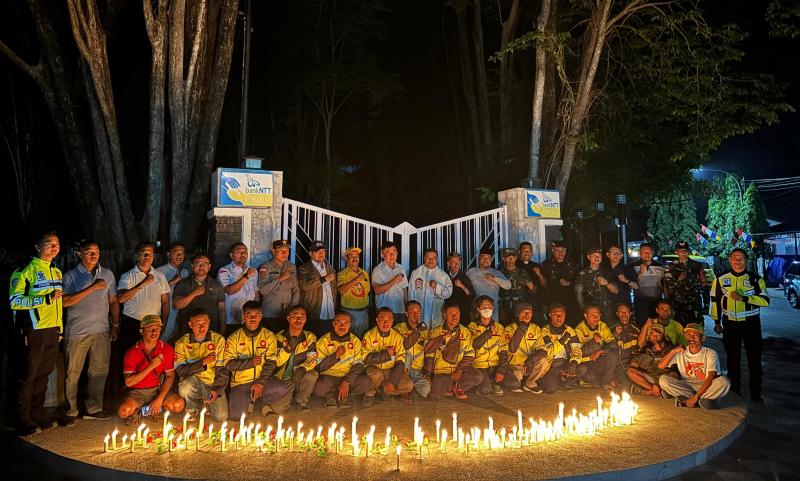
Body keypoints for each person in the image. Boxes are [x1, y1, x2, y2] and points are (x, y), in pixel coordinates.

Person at [9, 232, 68, 434]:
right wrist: (44, 299)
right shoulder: (25, 270)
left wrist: (60, 329)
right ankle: (22, 419)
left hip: (52, 331)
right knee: (28, 376)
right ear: (37, 247)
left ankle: (37, 414)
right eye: (49, 243)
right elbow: (15, 301)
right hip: (33, 330)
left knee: (43, 376)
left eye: (57, 243)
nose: (54, 246)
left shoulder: (57, 272)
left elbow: (58, 304)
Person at [61, 240, 119, 424]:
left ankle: (94, 408)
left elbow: (113, 301)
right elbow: (65, 302)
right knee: (73, 372)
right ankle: (71, 409)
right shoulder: (71, 275)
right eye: (89, 252)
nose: (94, 255)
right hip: (77, 331)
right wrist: (92, 287)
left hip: (101, 330)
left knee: (99, 371)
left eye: (96, 252)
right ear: (80, 254)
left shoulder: (107, 274)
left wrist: (115, 324)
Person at [710, 248, 769, 402]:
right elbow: (715, 301)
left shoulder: (756, 279)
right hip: (730, 324)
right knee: (732, 360)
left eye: (741, 258)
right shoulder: (720, 278)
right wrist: (716, 321)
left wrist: (744, 298)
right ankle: (735, 392)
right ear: (729, 260)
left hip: (751, 324)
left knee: (754, 360)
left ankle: (756, 394)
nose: (737, 261)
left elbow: (765, 301)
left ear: (746, 261)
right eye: (734, 258)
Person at [223, 301, 293, 419]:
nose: (253, 318)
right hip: (241, 384)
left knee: (281, 388)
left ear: (261, 316)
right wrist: (251, 362)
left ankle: (261, 402)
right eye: (249, 315)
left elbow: (271, 362)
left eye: (256, 315)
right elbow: (228, 364)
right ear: (243, 317)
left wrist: (261, 382)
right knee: (236, 416)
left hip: (262, 380)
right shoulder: (234, 338)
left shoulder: (268, 336)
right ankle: (250, 400)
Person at [117, 315, 185, 425]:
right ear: (141, 331)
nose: (154, 332)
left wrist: (160, 399)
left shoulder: (166, 348)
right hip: (138, 391)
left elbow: (170, 376)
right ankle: (140, 411)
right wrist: (151, 366)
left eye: (157, 328)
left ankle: (156, 409)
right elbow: (129, 382)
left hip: (157, 389)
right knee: (124, 412)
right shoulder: (132, 352)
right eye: (150, 329)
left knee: (178, 405)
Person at [306, 312, 372, 408]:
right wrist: (335, 356)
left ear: (350, 325)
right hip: (329, 377)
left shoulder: (355, 341)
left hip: (348, 375)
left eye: (346, 323)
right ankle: (332, 396)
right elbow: (318, 367)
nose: (342, 325)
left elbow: (359, 365)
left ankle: (344, 396)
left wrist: (347, 381)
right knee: (318, 387)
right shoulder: (323, 341)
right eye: (339, 322)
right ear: (333, 324)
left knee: (365, 382)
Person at [659, 323, 731, 409]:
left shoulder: (710, 353)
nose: (691, 338)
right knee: (663, 379)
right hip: (686, 386)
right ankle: (703, 401)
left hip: (706, 385)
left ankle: (687, 399)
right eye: (688, 335)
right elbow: (661, 366)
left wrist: (696, 396)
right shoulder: (680, 352)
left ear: (702, 338)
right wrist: (673, 351)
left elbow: (711, 376)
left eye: (695, 335)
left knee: (724, 381)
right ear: (685, 336)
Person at [174, 308, 228, 423]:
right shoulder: (181, 343)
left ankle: (204, 402)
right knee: (185, 387)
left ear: (209, 322)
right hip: (193, 382)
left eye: (205, 323)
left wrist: (217, 390)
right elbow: (180, 370)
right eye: (198, 324)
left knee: (221, 417)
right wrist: (203, 362)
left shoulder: (218, 340)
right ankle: (192, 408)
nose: (202, 328)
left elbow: (222, 370)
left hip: (212, 383)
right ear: (190, 324)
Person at [422, 302, 483, 400]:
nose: (454, 317)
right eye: (451, 314)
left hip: (459, 370)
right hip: (442, 371)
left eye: (457, 314)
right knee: (435, 396)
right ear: (445, 315)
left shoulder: (465, 331)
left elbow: (470, 354)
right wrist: (428, 371)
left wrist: (459, 370)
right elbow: (429, 352)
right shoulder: (436, 331)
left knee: (478, 376)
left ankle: (458, 386)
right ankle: (450, 385)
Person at [117, 242, 170, 350]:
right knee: (130, 354)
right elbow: (121, 299)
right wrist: (143, 284)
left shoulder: (160, 276)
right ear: (137, 256)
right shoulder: (127, 276)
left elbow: (165, 302)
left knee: (150, 354)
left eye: (150, 254)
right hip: (132, 323)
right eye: (144, 253)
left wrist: (164, 322)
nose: (147, 256)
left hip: (153, 324)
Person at [362, 308, 414, 405]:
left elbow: (400, 360)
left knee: (408, 385)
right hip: (374, 368)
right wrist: (386, 354)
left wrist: (393, 381)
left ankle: (384, 390)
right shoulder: (369, 335)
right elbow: (365, 358)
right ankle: (369, 394)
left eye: (389, 319)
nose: (386, 322)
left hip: (390, 369)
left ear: (393, 321)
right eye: (382, 319)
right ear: (377, 320)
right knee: (376, 376)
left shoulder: (397, 337)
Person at [274, 306, 319, 410]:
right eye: (295, 316)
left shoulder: (310, 337)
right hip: (283, 376)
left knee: (312, 375)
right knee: (279, 408)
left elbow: (313, 358)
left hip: (300, 373)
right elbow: (276, 361)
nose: (299, 320)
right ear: (288, 318)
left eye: (302, 317)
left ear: (306, 320)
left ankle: (302, 401)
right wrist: (288, 349)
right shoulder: (279, 337)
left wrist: (302, 368)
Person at [172, 253, 226, 339]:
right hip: (187, 331)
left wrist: (223, 327)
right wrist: (194, 293)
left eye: (204, 264)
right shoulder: (182, 284)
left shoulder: (217, 285)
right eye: (197, 264)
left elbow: (221, 308)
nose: (201, 266)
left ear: (209, 267)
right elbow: (177, 305)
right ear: (192, 266)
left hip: (211, 330)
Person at [503, 302, 550, 393]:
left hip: (528, 365)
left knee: (544, 361)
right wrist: (521, 329)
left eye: (530, 312)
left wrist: (531, 360)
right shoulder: (510, 328)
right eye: (524, 312)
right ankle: (519, 380)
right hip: (514, 366)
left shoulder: (535, 328)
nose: (527, 315)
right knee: (516, 379)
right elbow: (512, 349)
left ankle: (530, 384)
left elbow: (543, 350)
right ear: (517, 314)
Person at [467, 296, 509, 395]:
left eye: (489, 307)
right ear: (478, 309)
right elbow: (475, 344)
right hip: (479, 364)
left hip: (495, 364)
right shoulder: (472, 326)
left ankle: (492, 381)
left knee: (513, 383)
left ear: (493, 308)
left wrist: (501, 370)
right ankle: (486, 384)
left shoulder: (499, 327)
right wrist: (488, 332)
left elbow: (503, 350)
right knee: (485, 390)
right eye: (483, 307)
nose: (487, 309)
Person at [536, 304, 582, 393]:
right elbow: (549, 352)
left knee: (582, 369)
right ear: (550, 315)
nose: (559, 317)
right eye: (555, 314)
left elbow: (577, 348)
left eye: (562, 315)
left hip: (565, 362)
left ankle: (564, 381)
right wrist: (562, 341)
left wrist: (573, 363)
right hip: (551, 365)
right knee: (549, 389)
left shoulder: (569, 330)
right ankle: (558, 380)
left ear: (565, 315)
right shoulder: (545, 330)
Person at [257, 239, 299, 333]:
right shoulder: (266, 267)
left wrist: (292, 308)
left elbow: (296, 289)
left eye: (287, 251)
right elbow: (263, 290)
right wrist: (280, 279)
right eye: (281, 251)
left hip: (288, 314)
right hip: (270, 314)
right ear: (273, 251)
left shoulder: (292, 267)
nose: (285, 253)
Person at [574, 305, 619, 390]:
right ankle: (585, 380)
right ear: (585, 316)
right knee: (589, 376)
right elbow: (577, 352)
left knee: (612, 355)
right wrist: (593, 342)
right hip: (585, 362)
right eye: (592, 315)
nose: (596, 318)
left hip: (597, 359)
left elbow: (613, 343)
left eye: (598, 315)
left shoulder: (602, 325)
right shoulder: (579, 329)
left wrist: (600, 351)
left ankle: (606, 383)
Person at [298, 240, 337, 336]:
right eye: (318, 252)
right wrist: (324, 279)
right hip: (314, 315)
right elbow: (304, 286)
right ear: (310, 254)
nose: (321, 254)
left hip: (331, 314)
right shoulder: (304, 268)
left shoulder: (329, 267)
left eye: (323, 251)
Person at [217, 242, 259, 334]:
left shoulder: (253, 270)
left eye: (245, 252)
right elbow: (229, 290)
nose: (242, 254)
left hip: (250, 320)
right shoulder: (224, 270)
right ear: (232, 255)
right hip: (232, 319)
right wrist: (246, 276)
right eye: (238, 252)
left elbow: (256, 293)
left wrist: (257, 312)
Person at [393, 301, 431, 398]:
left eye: (418, 311)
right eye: (412, 312)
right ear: (406, 314)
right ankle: (405, 386)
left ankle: (410, 386)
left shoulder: (425, 330)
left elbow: (428, 350)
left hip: (417, 368)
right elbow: (404, 346)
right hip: (403, 368)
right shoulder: (399, 328)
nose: (415, 314)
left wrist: (428, 368)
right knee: (407, 353)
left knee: (426, 391)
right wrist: (417, 330)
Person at [408, 249, 453, 329]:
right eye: (428, 257)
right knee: (419, 331)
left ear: (437, 259)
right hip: (419, 311)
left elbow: (448, 293)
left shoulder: (443, 275)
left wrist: (437, 286)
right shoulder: (416, 273)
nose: (431, 260)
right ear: (424, 258)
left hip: (436, 311)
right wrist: (412, 310)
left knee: (435, 331)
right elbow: (411, 293)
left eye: (434, 258)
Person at [663, 241, 704, 326]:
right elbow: (667, 286)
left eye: (685, 251)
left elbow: (704, 284)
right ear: (676, 252)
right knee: (678, 329)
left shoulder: (697, 265)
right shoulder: (670, 267)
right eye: (680, 251)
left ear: (688, 251)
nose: (683, 253)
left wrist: (706, 304)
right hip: (677, 304)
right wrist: (678, 280)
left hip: (694, 304)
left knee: (695, 329)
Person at [626, 324, 675, 396]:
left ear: (663, 335)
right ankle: (654, 391)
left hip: (664, 378)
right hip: (651, 378)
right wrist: (635, 361)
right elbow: (637, 361)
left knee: (673, 375)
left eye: (657, 334)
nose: (654, 336)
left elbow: (671, 369)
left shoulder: (671, 348)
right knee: (630, 371)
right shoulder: (647, 349)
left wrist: (657, 383)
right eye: (652, 334)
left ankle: (651, 391)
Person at [466, 248, 511, 322]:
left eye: (488, 258)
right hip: (475, 309)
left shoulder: (496, 273)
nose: (485, 259)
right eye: (483, 257)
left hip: (492, 310)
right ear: (478, 258)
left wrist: (494, 278)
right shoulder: (471, 272)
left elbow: (508, 286)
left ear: (491, 260)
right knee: (474, 328)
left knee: (493, 328)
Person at [575, 247, 619, 324]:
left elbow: (616, 291)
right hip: (591, 309)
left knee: (607, 328)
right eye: (594, 255)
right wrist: (583, 309)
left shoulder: (607, 272)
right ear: (589, 257)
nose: (597, 257)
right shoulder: (582, 274)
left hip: (606, 309)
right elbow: (578, 293)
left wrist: (607, 283)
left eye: (599, 255)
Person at [156, 242, 189, 341]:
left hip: (180, 315)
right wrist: (172, 282)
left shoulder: (185, 272)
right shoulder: (159, 272)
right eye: (176, 252)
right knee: (162, 340)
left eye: (182, 253)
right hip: (166, 314)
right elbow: (153, 294)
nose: (179, 255)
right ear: (168, 254)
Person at [541, 240, 579, 323]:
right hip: (552, 300)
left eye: (563, 250)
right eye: (558, 250)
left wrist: (569, 283)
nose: (560, 253)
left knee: (570, 322)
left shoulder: (573, 264)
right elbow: (543, 285)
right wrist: (544, 303)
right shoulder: (546, 265)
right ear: (553, 251)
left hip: (569, 300)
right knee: (554, 323)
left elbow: (580, 281)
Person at [337, 246, 371, 336]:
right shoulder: (342, 274)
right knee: (348, 339)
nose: (355, 258)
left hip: (364, 313)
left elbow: (367, 292)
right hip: (348, 313)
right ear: (346, 259)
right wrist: (356, 279)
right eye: (352, 256)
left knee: (363, 339)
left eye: (357, 256)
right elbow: (341, 291)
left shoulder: (365, 273)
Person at [371, 241, 409, 324]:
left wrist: (406, 307)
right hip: (384, 312)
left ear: (397, 253)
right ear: (382, 254)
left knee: (400, 331)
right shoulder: (378, 270)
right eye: (388, 252)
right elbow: (377, 290)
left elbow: (404, 289)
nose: (392, 255)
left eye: (394, 252)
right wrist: (394, 280)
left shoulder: (401, 268)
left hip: (400, 310)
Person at [629, 243, 664, 324]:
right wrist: (640, 273)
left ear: (653, 253)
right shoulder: (632, 266)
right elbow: (630, 286)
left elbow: (663, 285)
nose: (647, 254)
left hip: (657, 304)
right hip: (641, 304)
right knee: (642, 326)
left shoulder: (660, 266)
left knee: (656, 327)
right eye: (644, 252)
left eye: (649, 252)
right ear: (640, 253)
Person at [499, 248, 536, 325]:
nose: (510, 260)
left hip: (520, 309)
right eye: (508, 257)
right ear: (504, 259)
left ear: (516, 258)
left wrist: (532, 288)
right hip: (504, 308)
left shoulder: (523, 273)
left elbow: (532, 290)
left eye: (512, 257)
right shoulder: (499, 273)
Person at [516, 242, 547, 319]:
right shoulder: (514, 265)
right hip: (519, 302)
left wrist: (539, 274)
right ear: (519, 252)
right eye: (524, 250)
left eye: (529, 250)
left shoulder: (536, 266)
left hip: (535, 303)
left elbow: (545, 284)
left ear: (532, 252)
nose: (527, 253)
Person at [604, 245, 636, 312]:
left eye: (618, 253)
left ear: (621, 256)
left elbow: (636, 286)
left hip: (624, 303)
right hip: (608, 305)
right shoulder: (603, 270)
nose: (615, 255)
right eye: (613, 252)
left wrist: (626, 280)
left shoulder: (628, 269)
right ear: (608, 254)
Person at [445, 252, 474, 324]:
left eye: (458, 262)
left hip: (461, 314)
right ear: (448, 264)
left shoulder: (464, 278)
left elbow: (472, 295)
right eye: (453, 262)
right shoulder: (443, 276)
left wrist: (462, 286)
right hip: (447, 313)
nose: (456, 264)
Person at [610, 303, 640, 371]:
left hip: (633, 362)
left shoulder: (637, 329)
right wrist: (616, 334)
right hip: (617, 363)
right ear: (617, 314)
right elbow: (609, 348)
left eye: (626, 312)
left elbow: (640, 347)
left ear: (630, 314)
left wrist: (635, 359)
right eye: (621, 312)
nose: (624, 314)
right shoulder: (612, 329)